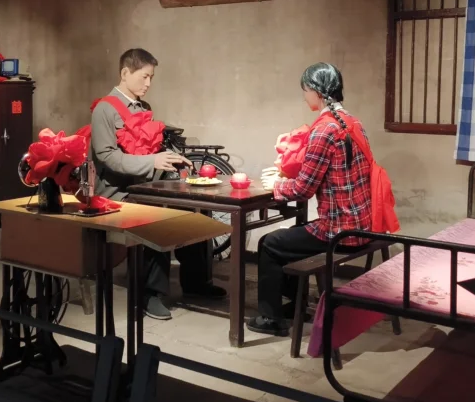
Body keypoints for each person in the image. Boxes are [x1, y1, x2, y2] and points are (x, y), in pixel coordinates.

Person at [90, 48, 227, 320]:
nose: (149, 83)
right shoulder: (104, 109)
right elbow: (107, 156)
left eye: (151, 77)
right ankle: (148, 294)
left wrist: (171, 158)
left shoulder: (144, 108)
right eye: (144, 77)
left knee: (194, 209)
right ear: (125, 73)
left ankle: (196, 282)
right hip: (116, 194)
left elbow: (148, 147)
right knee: (157, 217)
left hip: (144, 186)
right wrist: (153, 161)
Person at [253, 62, 373, 336]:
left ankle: (271, 319)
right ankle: (295, 307)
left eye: (305, 90)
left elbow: (303, 189)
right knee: (291, 236)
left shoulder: (324, 130)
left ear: (317, 92)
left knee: (270, 244)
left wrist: (276, 184)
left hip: (339, 230)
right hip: (362, 224)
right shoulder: (353, 123)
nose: (304, 96)